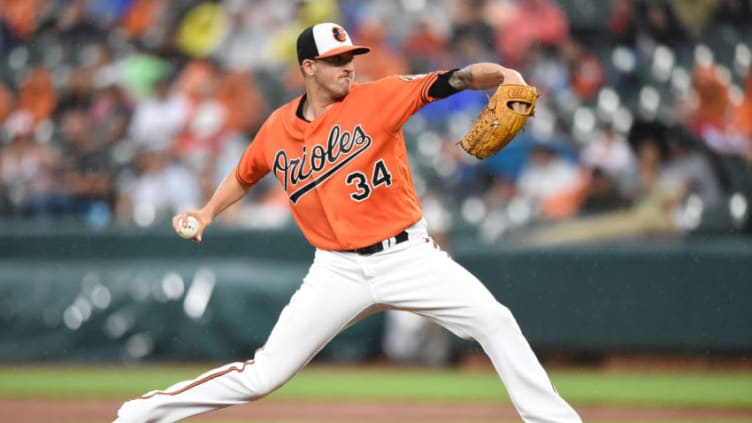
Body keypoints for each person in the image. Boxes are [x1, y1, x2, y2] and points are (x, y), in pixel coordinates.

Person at [114, 22, 581, 423]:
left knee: (494, 320)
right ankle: (140, 414)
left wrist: (504, 73)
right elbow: (244, 174)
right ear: (308, 68)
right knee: (263, 376)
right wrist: (207, 211)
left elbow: (456, 79)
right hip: (335, 270)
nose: (348, 66)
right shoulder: (276, 127)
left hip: (408, 256)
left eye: (350, 57)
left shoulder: (381, 95)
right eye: (336, 60)